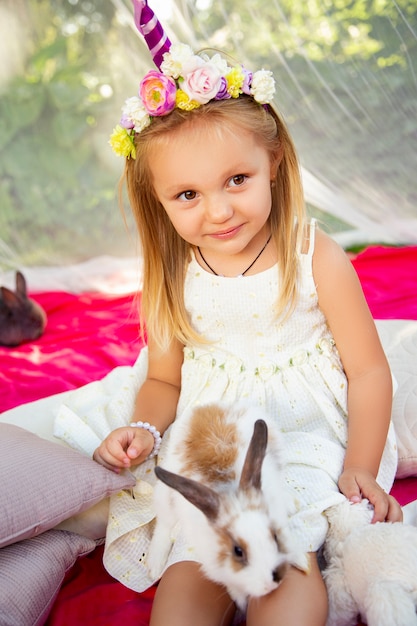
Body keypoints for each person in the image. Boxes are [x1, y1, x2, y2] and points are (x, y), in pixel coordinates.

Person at [58, 2, 402, 625]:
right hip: (213, 438)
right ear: (159, 202)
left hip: (297, 436)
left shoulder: (312, 254)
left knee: (288, 559)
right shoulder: (173, 272)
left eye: (236, 179)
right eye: (188, 195)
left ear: (273, 162)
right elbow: (164, 379)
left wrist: (359, 467)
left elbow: (369, 370)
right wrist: (148, 429)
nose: (217, 211)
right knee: (194, 565)